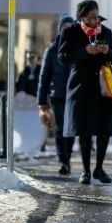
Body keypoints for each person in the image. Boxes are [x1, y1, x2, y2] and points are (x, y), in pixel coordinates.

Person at [59, 0, 112, 185]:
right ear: (82, 17)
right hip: (81, 87)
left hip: (103, 87)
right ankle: (85, 171)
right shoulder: (71, 32)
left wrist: (107, 51)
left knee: (103, 130)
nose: (95, 20)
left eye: (96, 16)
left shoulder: (106, 32)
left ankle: (99, 168)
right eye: (91, 17)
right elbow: (62, 57)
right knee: (84, 131)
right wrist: (85, 51)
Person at [37, 15, 76, 175]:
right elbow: (44, 77)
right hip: (57, 95)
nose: (66, 30)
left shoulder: (77, 48)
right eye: (64, 27)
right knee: (60, 128)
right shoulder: (52, 50)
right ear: (60, 29)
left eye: (69, 27)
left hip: (74, 95)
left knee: (72, 129)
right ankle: (63, 161)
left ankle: (67, 155)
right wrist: (41, 101)